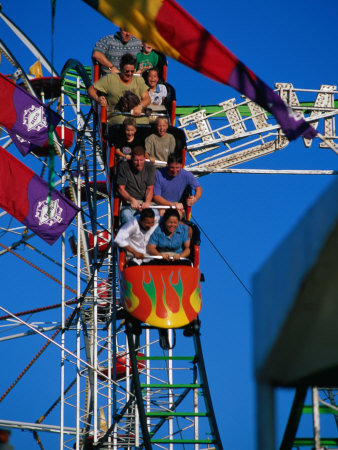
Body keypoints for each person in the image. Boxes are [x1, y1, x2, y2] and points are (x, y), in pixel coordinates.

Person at [87, 53, 151, 126]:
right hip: (117, 114)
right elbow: (91, 90)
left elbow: (147, 98)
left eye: (132, 71)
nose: (129, 74)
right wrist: (98, 99)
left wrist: (140, 106)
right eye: (127, 71)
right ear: (121, 69)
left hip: (135, 114)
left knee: (145, 122)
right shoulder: (110, 79)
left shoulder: (138, 80)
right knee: (124, 124)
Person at [116, 146, 156, 225]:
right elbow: (121, 188)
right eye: (136, 160)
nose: (138, 163)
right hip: (129, 204)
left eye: (141, 160)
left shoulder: (150, 167)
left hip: (145, 204)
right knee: (126, 215)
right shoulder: (124, 166)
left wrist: (147, 202)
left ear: (144, 158)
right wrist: (132, 200)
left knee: (156, 216)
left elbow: (150, 188)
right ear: (131, 159)